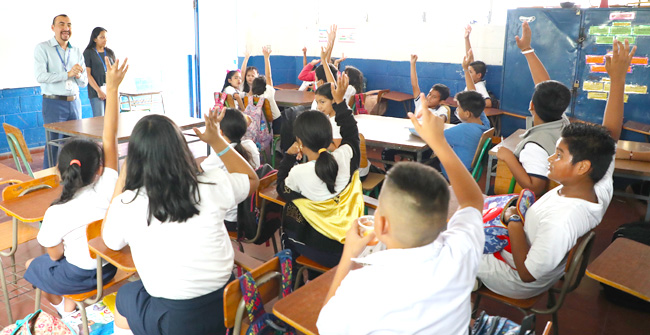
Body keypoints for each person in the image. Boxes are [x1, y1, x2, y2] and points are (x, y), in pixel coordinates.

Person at [477, 38, 634, 299]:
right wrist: (617, 80)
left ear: (582, 166)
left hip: (516, 278)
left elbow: (527, 274)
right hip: (528, 247)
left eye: (558, 155)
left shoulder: (562, 220)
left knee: (447, 247)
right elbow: (611, 133)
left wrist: (514, 221)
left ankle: (467, 280)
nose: (551, 158)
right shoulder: (597, 180)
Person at [317, 91, 485, 334]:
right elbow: (472, 200)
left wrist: (348, 256)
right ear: (443, 220)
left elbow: (325, 327)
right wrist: (439, 142)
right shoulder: (460, 250)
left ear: (381, 225)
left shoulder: (363, 284)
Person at [103, 103, 259, 333]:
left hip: (176, 322)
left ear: (135, 159)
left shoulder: (128, 203)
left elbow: (110, 241)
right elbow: (252, 179)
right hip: (227, 307)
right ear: (182, 149)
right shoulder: (211, 182)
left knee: (126, 296)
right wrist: (217, 141)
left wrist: (123, 177)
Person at [23, 57, 127, 319]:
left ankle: (66, 314)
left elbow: (56, 255)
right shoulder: (107, 185)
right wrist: (112, 90)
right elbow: (110, 137)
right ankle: (72, 307)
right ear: (99, 169)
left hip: (80, 276)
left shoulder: (56, 212)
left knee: (31, 264)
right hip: (111, 268)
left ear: (59, 171)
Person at [277, 74, 362, 268]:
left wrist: (289, 157)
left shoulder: (300, 173)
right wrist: (340, 102)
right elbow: (351, 133)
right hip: (351, 244)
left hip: (324, 251)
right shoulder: (346, 155)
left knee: (289, 217)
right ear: (329, 135)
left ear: (299, 142)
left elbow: (282, 188)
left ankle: (295, 279)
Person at [495, 22, 571, 196]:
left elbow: (535, 187)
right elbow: (544, 85)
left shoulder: (535, 146)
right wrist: (527, 50)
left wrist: (508, 157)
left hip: (547, 201)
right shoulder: (561, 121)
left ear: (532, 106)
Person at [34, 14, 88, 168]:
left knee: (75, 144)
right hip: (53, 102)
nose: (66, 28)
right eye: (61, 24)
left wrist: (77, 74)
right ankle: (48, 179)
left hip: (74, 102)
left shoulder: (76, 51)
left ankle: (73, 176)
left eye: (69, 25)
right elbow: (40, 76)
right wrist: (67, 74)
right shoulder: (43, 48)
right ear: (53, 28)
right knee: (53, 144)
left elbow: (83, 82)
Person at [200, 108, 260, 231]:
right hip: (250, 211)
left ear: (220, 132)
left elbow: (201, 169)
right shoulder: (250, 145)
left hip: (230, 219)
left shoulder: (219, 156)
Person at [249, 46, 283, 134]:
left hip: (260, 124)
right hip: (276, 124)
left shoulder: (252, 96)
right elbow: (269, 76)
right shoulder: (268, 92)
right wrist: (266, 58)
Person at [83, 27, 116, 117]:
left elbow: (114, 72)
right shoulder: (88, 52)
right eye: (102, 37)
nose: (105, 40)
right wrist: (99, 91)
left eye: (105, 37)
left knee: (111, 118)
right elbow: (88, 75)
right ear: (94, 39)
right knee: (99, 120)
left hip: (110, 91)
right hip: (96, 93)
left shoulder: (110, 52)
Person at [410, 54, 451, 121]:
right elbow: (414, 85)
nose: (429, 97)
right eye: (429, 94)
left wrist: (428, 113)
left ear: (441, 102)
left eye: (434, 97)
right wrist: (412, 64)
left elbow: (441, 120)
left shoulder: (442, 110)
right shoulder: (421, 102)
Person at [463, 25, 492, 108]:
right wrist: (466, 38)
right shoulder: (473, 83)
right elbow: (470, 57)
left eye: (470, 72)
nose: (468, 73)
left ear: (479, 75)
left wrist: (473, 105)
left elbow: (488, 103)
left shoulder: (479, 86)